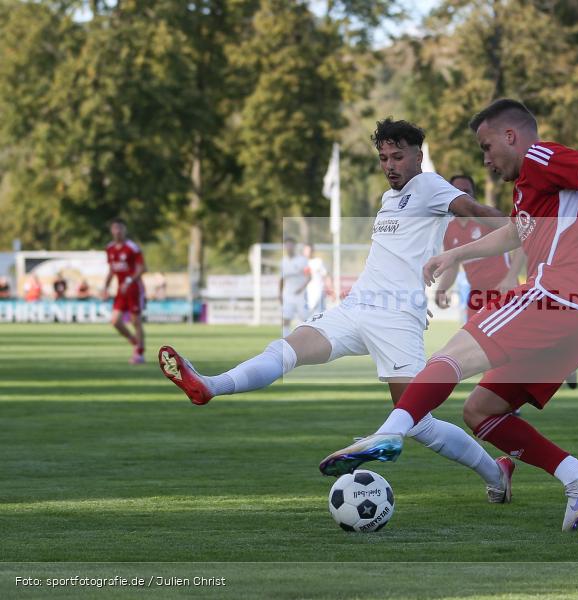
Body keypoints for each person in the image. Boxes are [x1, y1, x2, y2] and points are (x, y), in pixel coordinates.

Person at [320, 99, 578, 531]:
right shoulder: (528, 187)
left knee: (451, 355)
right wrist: (455, 253)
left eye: (487, 146)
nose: (486, 159)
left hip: (558, 295)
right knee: (481, 411)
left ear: (511, 136)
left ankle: (389, 433)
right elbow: (514, 232)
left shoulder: (540, 156)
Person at [158, 118, 515, 503]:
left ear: (418, 156)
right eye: (383, 158)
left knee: (420, 423)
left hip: (395, 318)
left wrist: (528, 226)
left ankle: (496, 473)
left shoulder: (429, 184)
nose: (390, 165)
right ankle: (210, 386)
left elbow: (473, 208)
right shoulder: (388, 199)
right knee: (287, 349)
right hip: (356, 307)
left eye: (398, 156)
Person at [435, 174, 522, 321]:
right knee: (468, 339)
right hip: (477, 296)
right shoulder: (448, 230)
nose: (461, 195)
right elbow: (453, 266)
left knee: (513, 342)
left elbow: (522, 237)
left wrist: (511, 277)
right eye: (456, 191)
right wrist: (442, 289)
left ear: (473, 195)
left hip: (504, 290)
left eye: (466, 191)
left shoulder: (487, 217)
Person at [103, 218, 147, 364]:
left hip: (134, 288)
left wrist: (128, 281)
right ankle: (134, 341)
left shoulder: (132, 248)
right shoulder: (109, 248)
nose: (117, 231)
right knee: (115, 321)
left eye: (120, 228)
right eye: (115, 228)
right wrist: (105, 287)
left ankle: (139, 354)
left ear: (124, 230)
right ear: (111, 231)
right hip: (121, 291)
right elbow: (111, 270)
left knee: (136, 321)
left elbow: (142, 269)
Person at [280, 238, 310, 337]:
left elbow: (309, 276)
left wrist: (301, 288)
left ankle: (305, 339)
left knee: (305, 320)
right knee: (285, 319)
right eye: (287, 246)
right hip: (288, 295)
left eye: (291, 245)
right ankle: (285, 341)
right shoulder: (283, 262)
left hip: (301, 295)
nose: (289, 248)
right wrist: (279, 293)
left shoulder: (302, 260)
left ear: (294, 247)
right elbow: (281, 279)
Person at [303, 243, 331, 314]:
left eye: (309, 250)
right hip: (307, 294)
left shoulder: (318, 262)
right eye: (306, 250)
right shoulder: (301, 263)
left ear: (313, 251)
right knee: (307, 317)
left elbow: (326, 276)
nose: (307, 253)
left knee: (319, 316)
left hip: (318, 292)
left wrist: (331, 289)